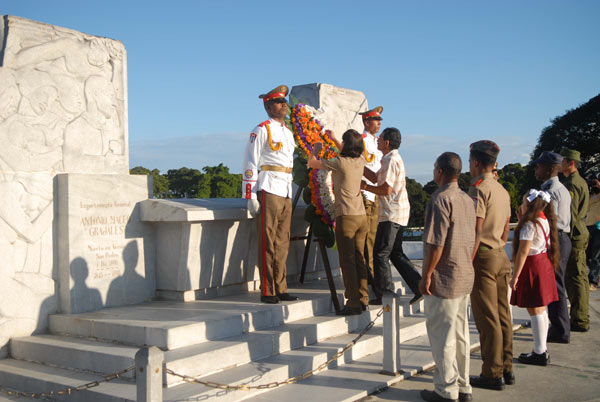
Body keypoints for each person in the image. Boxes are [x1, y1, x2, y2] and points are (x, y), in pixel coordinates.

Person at [419, 152, 476, 402]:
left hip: (444, 276)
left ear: (440, 171)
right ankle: (464, 386)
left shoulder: (440, 198)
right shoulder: (466, 199)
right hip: (464, 274)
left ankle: (446, 389)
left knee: (443, 336)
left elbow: (435, 243)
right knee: (461, 334)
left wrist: (426, 275)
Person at [241, 85, 298, 304]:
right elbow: (250, 162)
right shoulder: (261, 129)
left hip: (285, 189)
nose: (284, 106)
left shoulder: (287, 132)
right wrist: (250, 195)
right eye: (278, 102)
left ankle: (281, 286)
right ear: (268, 106)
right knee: (268, 241)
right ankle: (268, 289)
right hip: (269, 186)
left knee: (282, 241)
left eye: (284, 102)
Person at [468, 140, 514, 391]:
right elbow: (506, 227)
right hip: (499, 253)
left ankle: (492, 372)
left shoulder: (478, 188)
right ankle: (506, 367)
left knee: (487, 320)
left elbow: (476, 228)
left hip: (483, 256)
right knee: (503, 314)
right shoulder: (501, 190)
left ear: (475, 162)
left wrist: (468, 260)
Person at [308, 130, 369, 315]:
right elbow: (346, 150)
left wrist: (316, 149)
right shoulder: (360, 161)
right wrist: (334, 138)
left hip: (347, 215)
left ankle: (352, 303)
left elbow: (312, 163)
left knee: (347, 261)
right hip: (361, 215)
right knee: (360, 258)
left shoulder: (339, 163)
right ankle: (363, 297)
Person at [361, 127, 422, 305]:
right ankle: (417, 285)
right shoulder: (392, 158)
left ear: (387, 142)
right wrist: (359, 164)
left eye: (380, 139)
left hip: (391, 213)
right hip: (399, 212)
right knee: (395, 253)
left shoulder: (389, 159)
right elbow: (375, 178)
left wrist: (364, 188)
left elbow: (385, 189)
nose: (377, 141)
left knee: (380, 254)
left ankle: (386, 294)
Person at [510, 190, 560, 366]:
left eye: (523, 202)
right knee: (541, 308)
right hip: (543, 263)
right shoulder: (543, 219)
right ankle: (541, 348)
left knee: (535, 309)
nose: (521, 204)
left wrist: (515, 276)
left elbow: (523, 251)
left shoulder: (530, 224)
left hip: (532, 265)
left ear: (529, 205)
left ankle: (539, 352)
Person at [534, 151, 572, 343]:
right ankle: (560, 327)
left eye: (539, 166)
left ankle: (560, 330)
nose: (536, 169)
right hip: (563, 237)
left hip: (556, 238)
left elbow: (551, 219)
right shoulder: (561, 189)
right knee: (557, 285)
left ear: (549, 169)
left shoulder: (549, 192)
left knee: (555, 286)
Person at [559, 148, 590, 332]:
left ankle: (579, 319)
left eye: (562, 160)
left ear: (570, 162)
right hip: (580, 232)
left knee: (576, 278)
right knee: (579, 278)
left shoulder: (571, 184)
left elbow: (569, 214)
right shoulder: (580, 181)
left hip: (574, 234)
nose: (559, 164)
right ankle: (580, 316)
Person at [359, 106, 384, 295]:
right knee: (367, 241)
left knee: (374, 240)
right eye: (376, 120)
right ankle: (370, 282)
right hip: (366, 194)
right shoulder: (361, 141)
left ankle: (374, 279)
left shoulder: (379, 142)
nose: (379, 123)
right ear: (367, 122)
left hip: (376, 195)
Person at [586, 175, 600, 290]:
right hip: (587, 226)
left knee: (595, 256)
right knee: (586, 255)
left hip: (598, 227)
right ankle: (595, 274)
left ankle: (593, 281)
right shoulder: (589, 196)